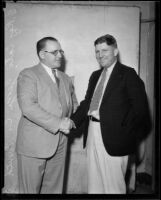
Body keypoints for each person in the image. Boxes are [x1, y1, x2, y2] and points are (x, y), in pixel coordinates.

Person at [71, 34, 151, 194]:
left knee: (113, 187)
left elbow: (141, 112)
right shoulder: (95, 76)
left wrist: (126, 135)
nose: (100, 55)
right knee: (94, 185)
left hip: (115, 138)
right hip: (92, 133)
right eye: (97, 51)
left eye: (104, 50)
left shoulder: (128, 74)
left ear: (115, 51)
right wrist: (72, 121)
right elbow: (88, 103)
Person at [16, 36, 78, 194]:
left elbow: (74, 105)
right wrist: (59, 123)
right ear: (42, 54)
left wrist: (75, 120)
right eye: (55, 52)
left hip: (61, 143)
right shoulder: (28, 74)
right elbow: (28, 107)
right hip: (33, 145)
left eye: (61, 51)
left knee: (54, 190)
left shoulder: (65, 78)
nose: (60, 55)